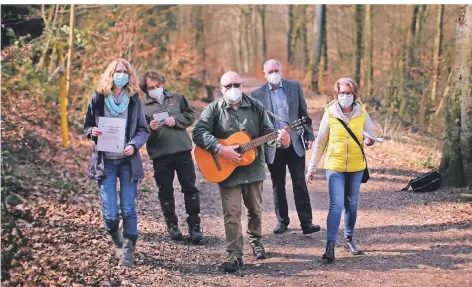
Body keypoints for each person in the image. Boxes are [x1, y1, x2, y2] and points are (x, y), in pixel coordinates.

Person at [192, 71, 291, 273]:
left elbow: (268, 133)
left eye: (236, 84)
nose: (233, 89)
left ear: (242, 85)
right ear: (221, 89)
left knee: (255, 209)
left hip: (253, 169)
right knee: (232, 214)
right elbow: (198, 133)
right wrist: (222, 149)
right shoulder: (214, 109)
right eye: (228, 86)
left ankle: (256, 241)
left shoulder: (256, 106)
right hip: (226, 171)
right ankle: (234, 255)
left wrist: (281, 139)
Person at [84, 59, 149, 266]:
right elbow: (87, 126)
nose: (120, 75)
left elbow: (143, 130)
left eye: (124, 72)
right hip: (106, 163)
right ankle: (116, 238)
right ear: (110, 74)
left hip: (127, 162)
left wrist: (134, 145)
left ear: (130, 76)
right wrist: (91, 132)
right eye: (117, 71)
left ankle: (128, 247)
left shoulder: (134, 99)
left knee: (128, 208)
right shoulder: (98, 98)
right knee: (111, 212)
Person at [305, 77, 375, 264]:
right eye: (342, 93)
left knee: (351, 205)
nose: (345, 96)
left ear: (354, 94)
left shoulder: (362, 112)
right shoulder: (330, 113)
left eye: (349, 93)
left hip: (356, 166)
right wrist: (311, 169)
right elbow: (320, 143)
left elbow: (370, 135)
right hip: (334, 166)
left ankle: (350, 238)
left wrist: (369, 140)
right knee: (336, 205)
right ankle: (330, 245)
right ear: (336, 94)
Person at [251, 59, 321, 235]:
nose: (274, 74)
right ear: (264, 73)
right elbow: (256, 122)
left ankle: (307, 223)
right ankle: (282, 221)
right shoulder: (257, 94)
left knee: (299, 182)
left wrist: (310, 135)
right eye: (270, 71)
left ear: (281, 71)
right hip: (272, 145)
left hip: (295, 142)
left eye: (276, 70)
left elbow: (304, 114)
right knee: (277, 184)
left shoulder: (294, 87)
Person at [140, 70, 203, 244]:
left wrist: (176, 120)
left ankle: (195, 226)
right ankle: (172, 225)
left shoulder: (177, 98)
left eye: (157, 85)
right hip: (160, 155)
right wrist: (149, 128)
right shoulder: (142, 106)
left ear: (162, 83)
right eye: (151, 87)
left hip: (182, 150)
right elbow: (140, 132)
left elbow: (190, 116)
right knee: (165, 190)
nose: (155, 89)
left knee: (190, 188)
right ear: (146, 89)